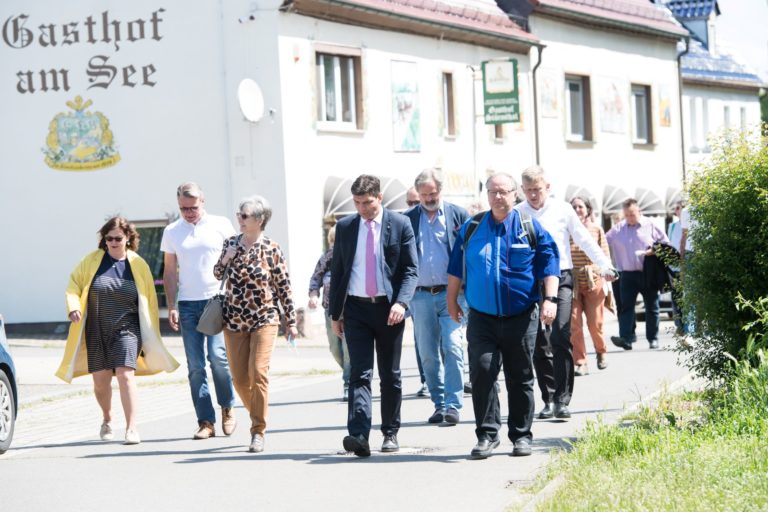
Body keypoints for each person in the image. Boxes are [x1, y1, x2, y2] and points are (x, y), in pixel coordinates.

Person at [447, 172, 560, 459]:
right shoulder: (472, 228)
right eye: (493, 192)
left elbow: (550, 263)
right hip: (481, 317)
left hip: (521, 316)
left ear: (514, 194)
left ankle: (521, 436)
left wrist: (550, 299)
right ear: (487, 195)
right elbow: (456, 268)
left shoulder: (528, 226)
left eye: (504, 192)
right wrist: (451, 300)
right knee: (483, 372)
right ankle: (487, 435)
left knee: (520, 377)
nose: (498, 197)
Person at [56, 217, 179, 445]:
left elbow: (149, 300)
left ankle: (132, 427)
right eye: (108, 238)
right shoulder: (91, 261)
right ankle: (107, 418)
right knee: (101, 383)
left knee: (125, 375)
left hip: (127, 329)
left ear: (128, 238)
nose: (113, 242)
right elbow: (73, 285)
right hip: (97, 329)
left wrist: (152, 331)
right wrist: (73, 307)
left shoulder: (138, 264)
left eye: (118, 238)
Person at [516, 167, 616, 420]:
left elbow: (583, 239)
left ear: (547, 187)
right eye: (528, 191)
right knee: (539, 341)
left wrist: (604, 265)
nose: (533, 195)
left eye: (537, 190)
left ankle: (562, 399)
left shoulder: (562, 209)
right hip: (530, 280)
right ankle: (548, 398)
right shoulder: (518, 213)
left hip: (561, 278)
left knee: (561, 334)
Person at [329, 174, 418, 457]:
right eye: (357, 203)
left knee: (389, 374)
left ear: (379, 198)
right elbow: (339, 272)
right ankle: (358, 434)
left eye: (367, 202)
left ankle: (390, 432)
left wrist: (402, 303)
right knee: (359, 373)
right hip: (356, 309)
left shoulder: (400, 224)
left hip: (388, 308)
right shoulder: (345, 227)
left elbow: (410, 269)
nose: (362, 209)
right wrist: (335, 313)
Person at [214, 195, 298, 453]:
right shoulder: (230, 243)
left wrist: (290, 320)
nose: (239, 219)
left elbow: (283, 285)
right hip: (234, 319)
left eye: (245, 215)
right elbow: (217, 273)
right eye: (239, 214)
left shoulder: (271, 248)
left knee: (258, 373)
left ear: (260, 220)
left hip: (265, 317)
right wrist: (226, 258)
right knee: (239, 379)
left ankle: (258, 430)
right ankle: (258, 413)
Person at [161, 182, 237, 440]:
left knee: (218, 357)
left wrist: (233, 296)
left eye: (193, 207)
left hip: (216, 300)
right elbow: (170, 271)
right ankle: (206, 421)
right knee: (195, 366)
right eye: (183, 208)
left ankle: (227, 406)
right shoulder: (172, 231)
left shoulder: (221, 224)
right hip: (188, 304)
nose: (189, 213)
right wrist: (171, 305)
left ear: (203, 201)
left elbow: (236, 260)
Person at [405, 169, 469, 425]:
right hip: (420, 296)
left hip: (451, 293)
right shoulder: (407, 219)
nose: (429, 199)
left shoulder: (458, 215)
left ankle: (453, 405)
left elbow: (468, 252)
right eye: (424, 195)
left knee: (452, 345)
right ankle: (439, 402)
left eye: (433, 193)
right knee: (428, 352)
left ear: (441, 191)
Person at [606, 198, 669, 350]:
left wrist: (652, 251)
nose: (630, 217)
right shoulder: (618, 229)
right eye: (627, 215)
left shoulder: (651, 225)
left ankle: (653, 338)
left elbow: (665, 244)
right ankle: (626, 339)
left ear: (639, 211)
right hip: (627, 275)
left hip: (647, 272)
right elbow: (602, 242)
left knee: (652, 307)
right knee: (626, 307)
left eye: (632, 214)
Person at [569, 196, 612, 376]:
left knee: (595, 324)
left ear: (588, 209)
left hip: (594, 280)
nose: (577, 210)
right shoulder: (565, 230)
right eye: (574, 207)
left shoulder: (596, 229)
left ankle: (601, 350)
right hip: (572, 281)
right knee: (574, 324)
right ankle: (580, 362)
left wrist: (608, 273)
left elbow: (605, 254)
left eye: (580, 207)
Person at [308, 225, 351, 401]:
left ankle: (349, 383)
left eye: (338, 241)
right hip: (330, 310)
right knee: (335, 348)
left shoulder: (351, 256)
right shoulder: (326, 258)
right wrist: (313, 296)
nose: (335, 245)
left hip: (351, 309)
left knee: (349, 349)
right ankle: (352, 372)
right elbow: (315, 278)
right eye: (332, 241)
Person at [406, 186, 429, 397]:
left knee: (449, 342)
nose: (414, 206)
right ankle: (427, 380)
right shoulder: (406, 220)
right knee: (422, 339)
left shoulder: (447, 216)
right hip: (417, 292)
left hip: (444, 289)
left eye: (416, 201)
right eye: (410, 202)